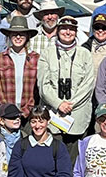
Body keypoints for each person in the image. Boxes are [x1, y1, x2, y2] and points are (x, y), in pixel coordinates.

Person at [39, 15, 95, 146]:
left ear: (76, 33)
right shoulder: (47, 53)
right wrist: (59, 104)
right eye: (64, 28)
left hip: (77, 114)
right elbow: (43, 85)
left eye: (72, 29)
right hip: (53, 115)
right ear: (57, 31)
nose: (68, 32)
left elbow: (88, 84)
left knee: (73, 158)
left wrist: (70, 104)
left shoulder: (85, 54)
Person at [0, 16, 41, 115]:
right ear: (9, 36)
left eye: (22, 34)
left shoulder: (36, 58)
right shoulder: (0, 58)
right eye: (14, 34)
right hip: (6, 110)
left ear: (27, 36)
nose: (18, 37)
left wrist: (27, 109)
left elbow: (37, 89)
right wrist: (8, 110)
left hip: (30, 111)